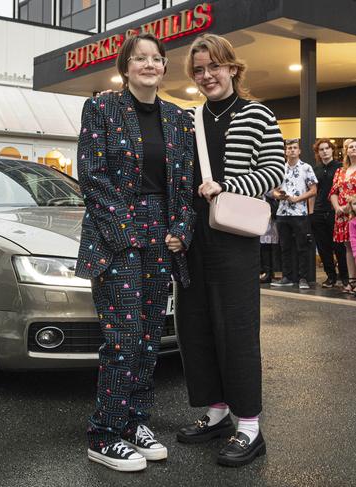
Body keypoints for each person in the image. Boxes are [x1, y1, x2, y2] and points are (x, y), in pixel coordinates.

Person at [75, 32, 195, 472]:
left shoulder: (180, 119)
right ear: (126, 68)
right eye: (139, 58)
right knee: (123, 338)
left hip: (161, 233)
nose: (148, 64)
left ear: (164, 68)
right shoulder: (101, 108)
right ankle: (104, 432)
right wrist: (124, 233)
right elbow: (91, 175)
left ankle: (134, 423)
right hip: (117, 234)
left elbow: (183, 186)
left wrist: (181, 228)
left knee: (148, 339)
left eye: (156, 58)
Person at [175, 33, 285, 467]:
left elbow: (273, 169)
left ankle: (250, 427)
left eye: (213, 67)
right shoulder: (190, 119)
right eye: (198, 70)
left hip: (236, 234)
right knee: (195, 325)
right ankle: (218, 412)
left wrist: (228, 187)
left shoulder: (258, 114)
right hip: (195, 237)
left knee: (237, 329)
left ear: (233, 68)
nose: (206, 76)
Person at [270, 139, 317, 289]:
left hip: (299, 213)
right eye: (289, 148)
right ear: (285, 151)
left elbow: (313, 190)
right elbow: (273, 190)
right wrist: (278, 195)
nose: (291, 150)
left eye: (294, 148)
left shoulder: (306, 168)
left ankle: (303, 278)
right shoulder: (280, 168)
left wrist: (297, 198)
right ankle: (287, 277)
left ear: (299, 151)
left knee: (302, 246)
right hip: (282, 212)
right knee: (284, 246)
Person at [310, 139, 348, 288]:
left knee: (339, 247)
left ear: (332, 150)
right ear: (318, 153)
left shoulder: (341, 168)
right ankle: (330, 277)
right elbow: (313, 192)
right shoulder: (315, 169)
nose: (324, 151)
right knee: (323, 247)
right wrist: (311, 213)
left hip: (335, 212)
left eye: (327, 148)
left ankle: (345, 277)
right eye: (321, 149)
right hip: (319, 212)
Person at [330, 139, 356, 293]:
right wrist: (337, 207)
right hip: (341, 214)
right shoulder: (340, 171)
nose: (353, 149)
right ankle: (352, 281)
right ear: (347, 151)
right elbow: (333, 191)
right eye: (351, 147)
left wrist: (349, 206)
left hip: (354, 213)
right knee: (347, 247)